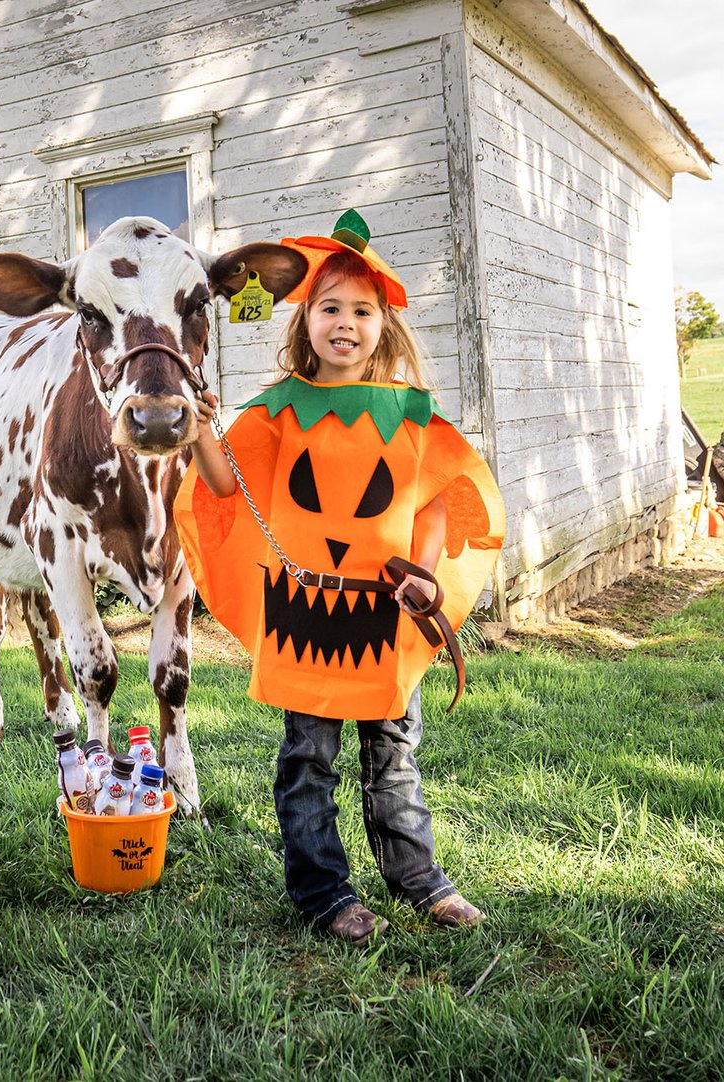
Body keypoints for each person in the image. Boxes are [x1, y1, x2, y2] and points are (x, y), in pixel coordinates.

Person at [173, 210, 505, 944]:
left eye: (362, 310)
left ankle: (418, 880)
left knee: (392, 761)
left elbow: (439, 496)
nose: (345, 323)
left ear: (382, 326)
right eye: (330, 307)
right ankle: (324, 894)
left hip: (384, 616)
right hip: (308, 620)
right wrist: (201, 428)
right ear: (305, 319)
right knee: (307, 763)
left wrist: (422, 570)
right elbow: (225, 484)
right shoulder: (280, 409)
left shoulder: (411, 416)